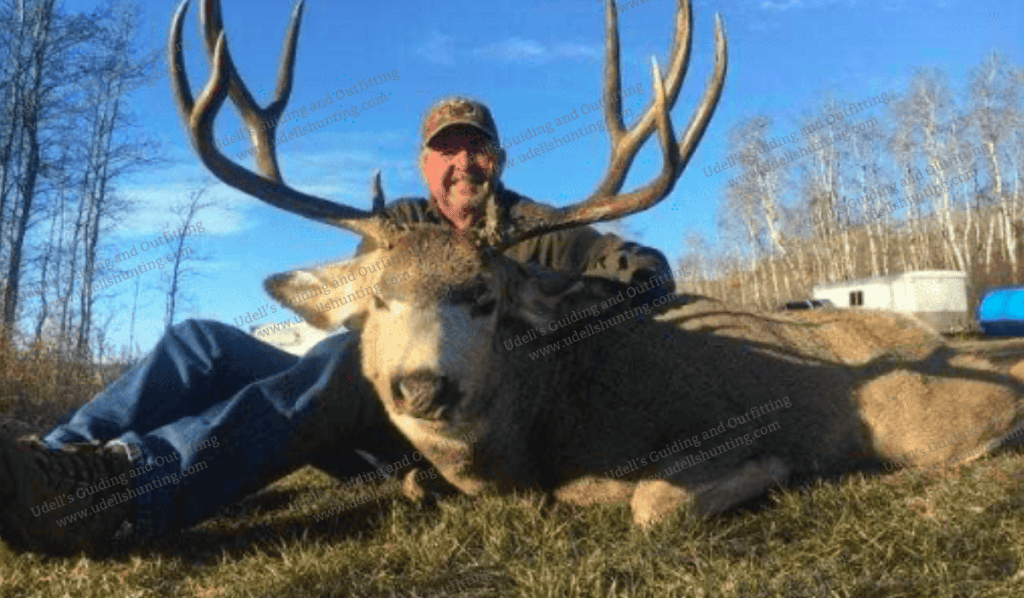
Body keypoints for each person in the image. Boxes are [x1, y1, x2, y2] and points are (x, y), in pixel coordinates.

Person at [0, 97, 676, 555]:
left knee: (343, 362)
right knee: (199, 341)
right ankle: (48, 464)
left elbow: (646, 270)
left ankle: (113, 495)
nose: (463, 161)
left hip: (457, 428)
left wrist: (554, 324)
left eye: (477, 147)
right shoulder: (397, 227)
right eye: (448, 150)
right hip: (382, 406)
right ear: (426, 164)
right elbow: (359, 310)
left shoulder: (539, 232)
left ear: (497, 158)